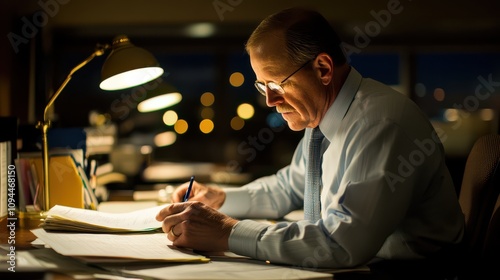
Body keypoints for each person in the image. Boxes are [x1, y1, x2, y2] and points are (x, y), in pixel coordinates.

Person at [156, 7, 465, 270]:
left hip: (409, 275)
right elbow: (290, 186)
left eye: (277, 84)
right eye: (263, 87)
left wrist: (228, 232)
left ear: (323, 68)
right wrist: (220, 199)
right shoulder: (323, 121)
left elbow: (341, 244)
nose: (270, 102)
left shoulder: (381, 124)